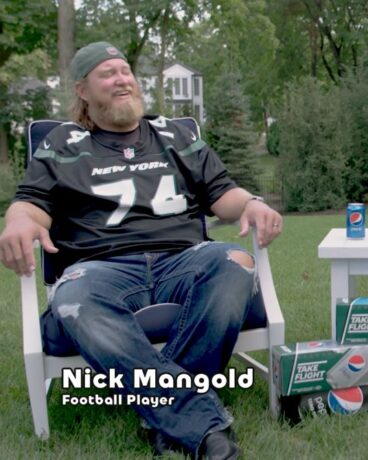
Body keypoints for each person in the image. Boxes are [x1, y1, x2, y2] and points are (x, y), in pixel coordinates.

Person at [0, 42, 282, 459]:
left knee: (234, 263)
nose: (122, 80)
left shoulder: (175, 135)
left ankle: (166, 417)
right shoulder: (64, 142)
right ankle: (201, 424)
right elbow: (30, 203)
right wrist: (18, 221)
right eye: (107, 74)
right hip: (99, 268)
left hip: (183, 259)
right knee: (74, 298)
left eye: (125, 71)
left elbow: (223, 194)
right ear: (82, 90)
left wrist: (252, 203)